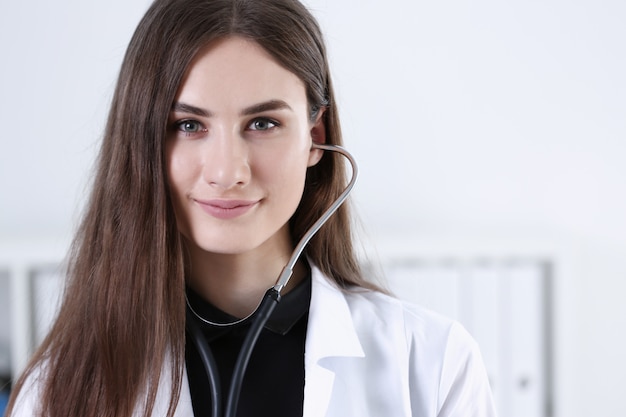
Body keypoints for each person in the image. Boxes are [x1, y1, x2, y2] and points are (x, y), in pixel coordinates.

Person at [6, 0, 497, 416]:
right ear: (142, 142)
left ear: (315, 137)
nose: (227, 171)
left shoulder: (433, 363)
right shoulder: (56, 392)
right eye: (187, 125)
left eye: (262, 123)